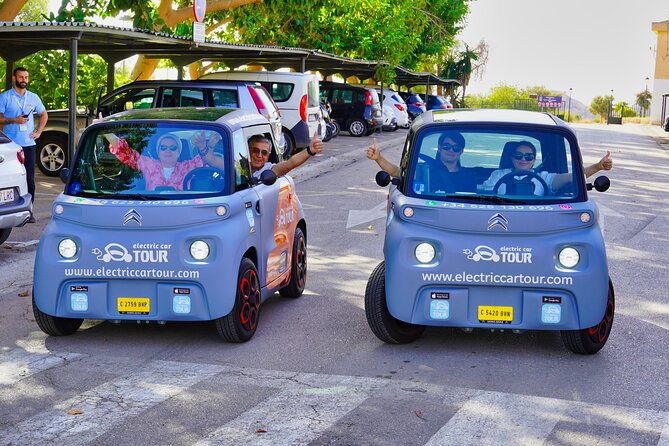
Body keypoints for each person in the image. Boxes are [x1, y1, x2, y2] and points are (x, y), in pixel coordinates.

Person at [0, 67, 48, 222]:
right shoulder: (5, 97)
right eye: (21, 77)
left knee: (30, 179)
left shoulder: (33, 97)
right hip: (10, 146)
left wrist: (38, 132)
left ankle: (29, 211)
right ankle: (9, 207)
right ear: (14, 78)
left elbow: (43, 114)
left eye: (26, 77)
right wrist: (14, 120)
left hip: (28, 144)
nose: (24, 80)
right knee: (9, 179)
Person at [104, 130, 224, 190]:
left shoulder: (188, 166)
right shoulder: (149, 164)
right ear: (158, 151)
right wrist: (108, 134)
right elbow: (127, 154)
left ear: (178, 152)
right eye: (163, 147)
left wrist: (208, 145)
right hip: (150, 212)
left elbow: (207, 159)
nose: (168, 151)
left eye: (173, 148)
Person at [482, 141, 613, 195]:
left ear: (533, 160)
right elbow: (485, 197)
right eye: (518, 155)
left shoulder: (544, 177)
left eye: (528, 157)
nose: (523, 159)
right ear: (512, 158)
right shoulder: (498, 175)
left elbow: (575, 177)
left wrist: (597, 166)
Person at [367, 130, 477, 192]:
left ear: (461, 151)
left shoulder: (469, 176)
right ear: (439, 148)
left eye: (456, 148)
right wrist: (378, 158)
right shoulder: (425, 171)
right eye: (446, 146)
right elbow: (396, 172)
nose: (451, 150)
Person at [249, 132, 323, 179]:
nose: (259, 155)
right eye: (255, 151)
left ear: (268, 156)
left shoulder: (267, 169)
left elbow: (289, 165)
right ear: (248, 151)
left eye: (264, 153)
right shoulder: (238, 167)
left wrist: (309, 150)